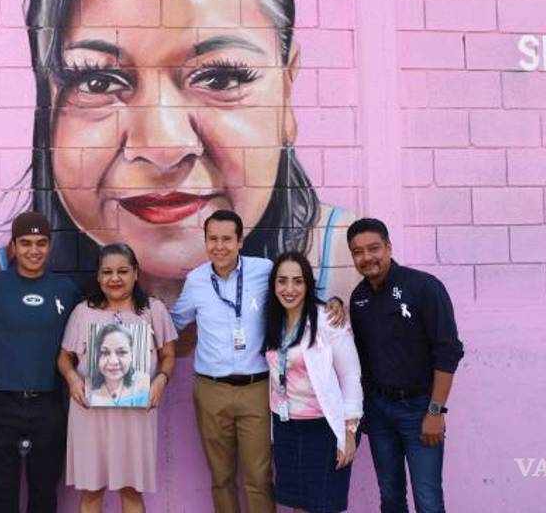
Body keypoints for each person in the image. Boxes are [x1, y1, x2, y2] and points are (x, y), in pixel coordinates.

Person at [0, 0, 357, 307]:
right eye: (97, 80)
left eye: (220, 78)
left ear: (287, 92)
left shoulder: (355, 270)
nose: (162, 147)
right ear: (48, 99)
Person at [346, 218, 464, 513]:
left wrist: (436, 411)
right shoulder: (358, 298)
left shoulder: (424, 287)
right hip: (379, 411)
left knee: (428, 499)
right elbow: (361, 358)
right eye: (358, 252)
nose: (367, 257)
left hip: (420, 410)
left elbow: (448, 352)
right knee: (391, 497)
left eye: (373, 248)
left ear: (388, 247)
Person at [0, 212, 82, 513]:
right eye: (26, 243)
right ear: (14, 246)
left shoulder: (66, 290)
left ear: (50, 245)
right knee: (2, 492)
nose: (34, 250)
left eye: (41, 243)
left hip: (48, 405)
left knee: (44, 493)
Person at [58, 243, 177, 513]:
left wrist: (161, 380)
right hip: (90, 413)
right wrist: (73, 380)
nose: (115, 278)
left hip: (135, 413)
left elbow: (169, 355)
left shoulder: (152, 310)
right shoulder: (83, 311)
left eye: (122, 271)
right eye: (107, 272)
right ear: (98, 276)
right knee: (91, 490)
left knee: (131, 489)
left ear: (135, 273)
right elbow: (64, 357)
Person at [169, 210, 275, 513]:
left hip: (257, 389)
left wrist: (329, 304)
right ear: (205, 242)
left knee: (259, 477)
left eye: (226, 239)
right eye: (212, 239)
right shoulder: (197, 280)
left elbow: (296, 294)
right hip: (211, 390)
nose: (219, 246)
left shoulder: (264, 271)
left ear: (240, 241)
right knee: (221, 477)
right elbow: (175, 322)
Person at [263, 251, 363, 513]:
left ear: (307, 284)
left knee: (323, 505)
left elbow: (350, 376)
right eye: (282, 281)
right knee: (299, 506)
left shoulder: (328, 320)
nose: (289, 288)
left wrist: (349, 433)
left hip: (323, 428)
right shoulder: (273, 322)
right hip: (286, 427)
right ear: (273, 285)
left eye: (297, 281)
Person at [87, 323, 152, 407]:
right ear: (97, 356)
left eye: (122, 352)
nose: (113, 361)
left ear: (131, 355)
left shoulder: (143, 384)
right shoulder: (87, 389)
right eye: (105, 352)